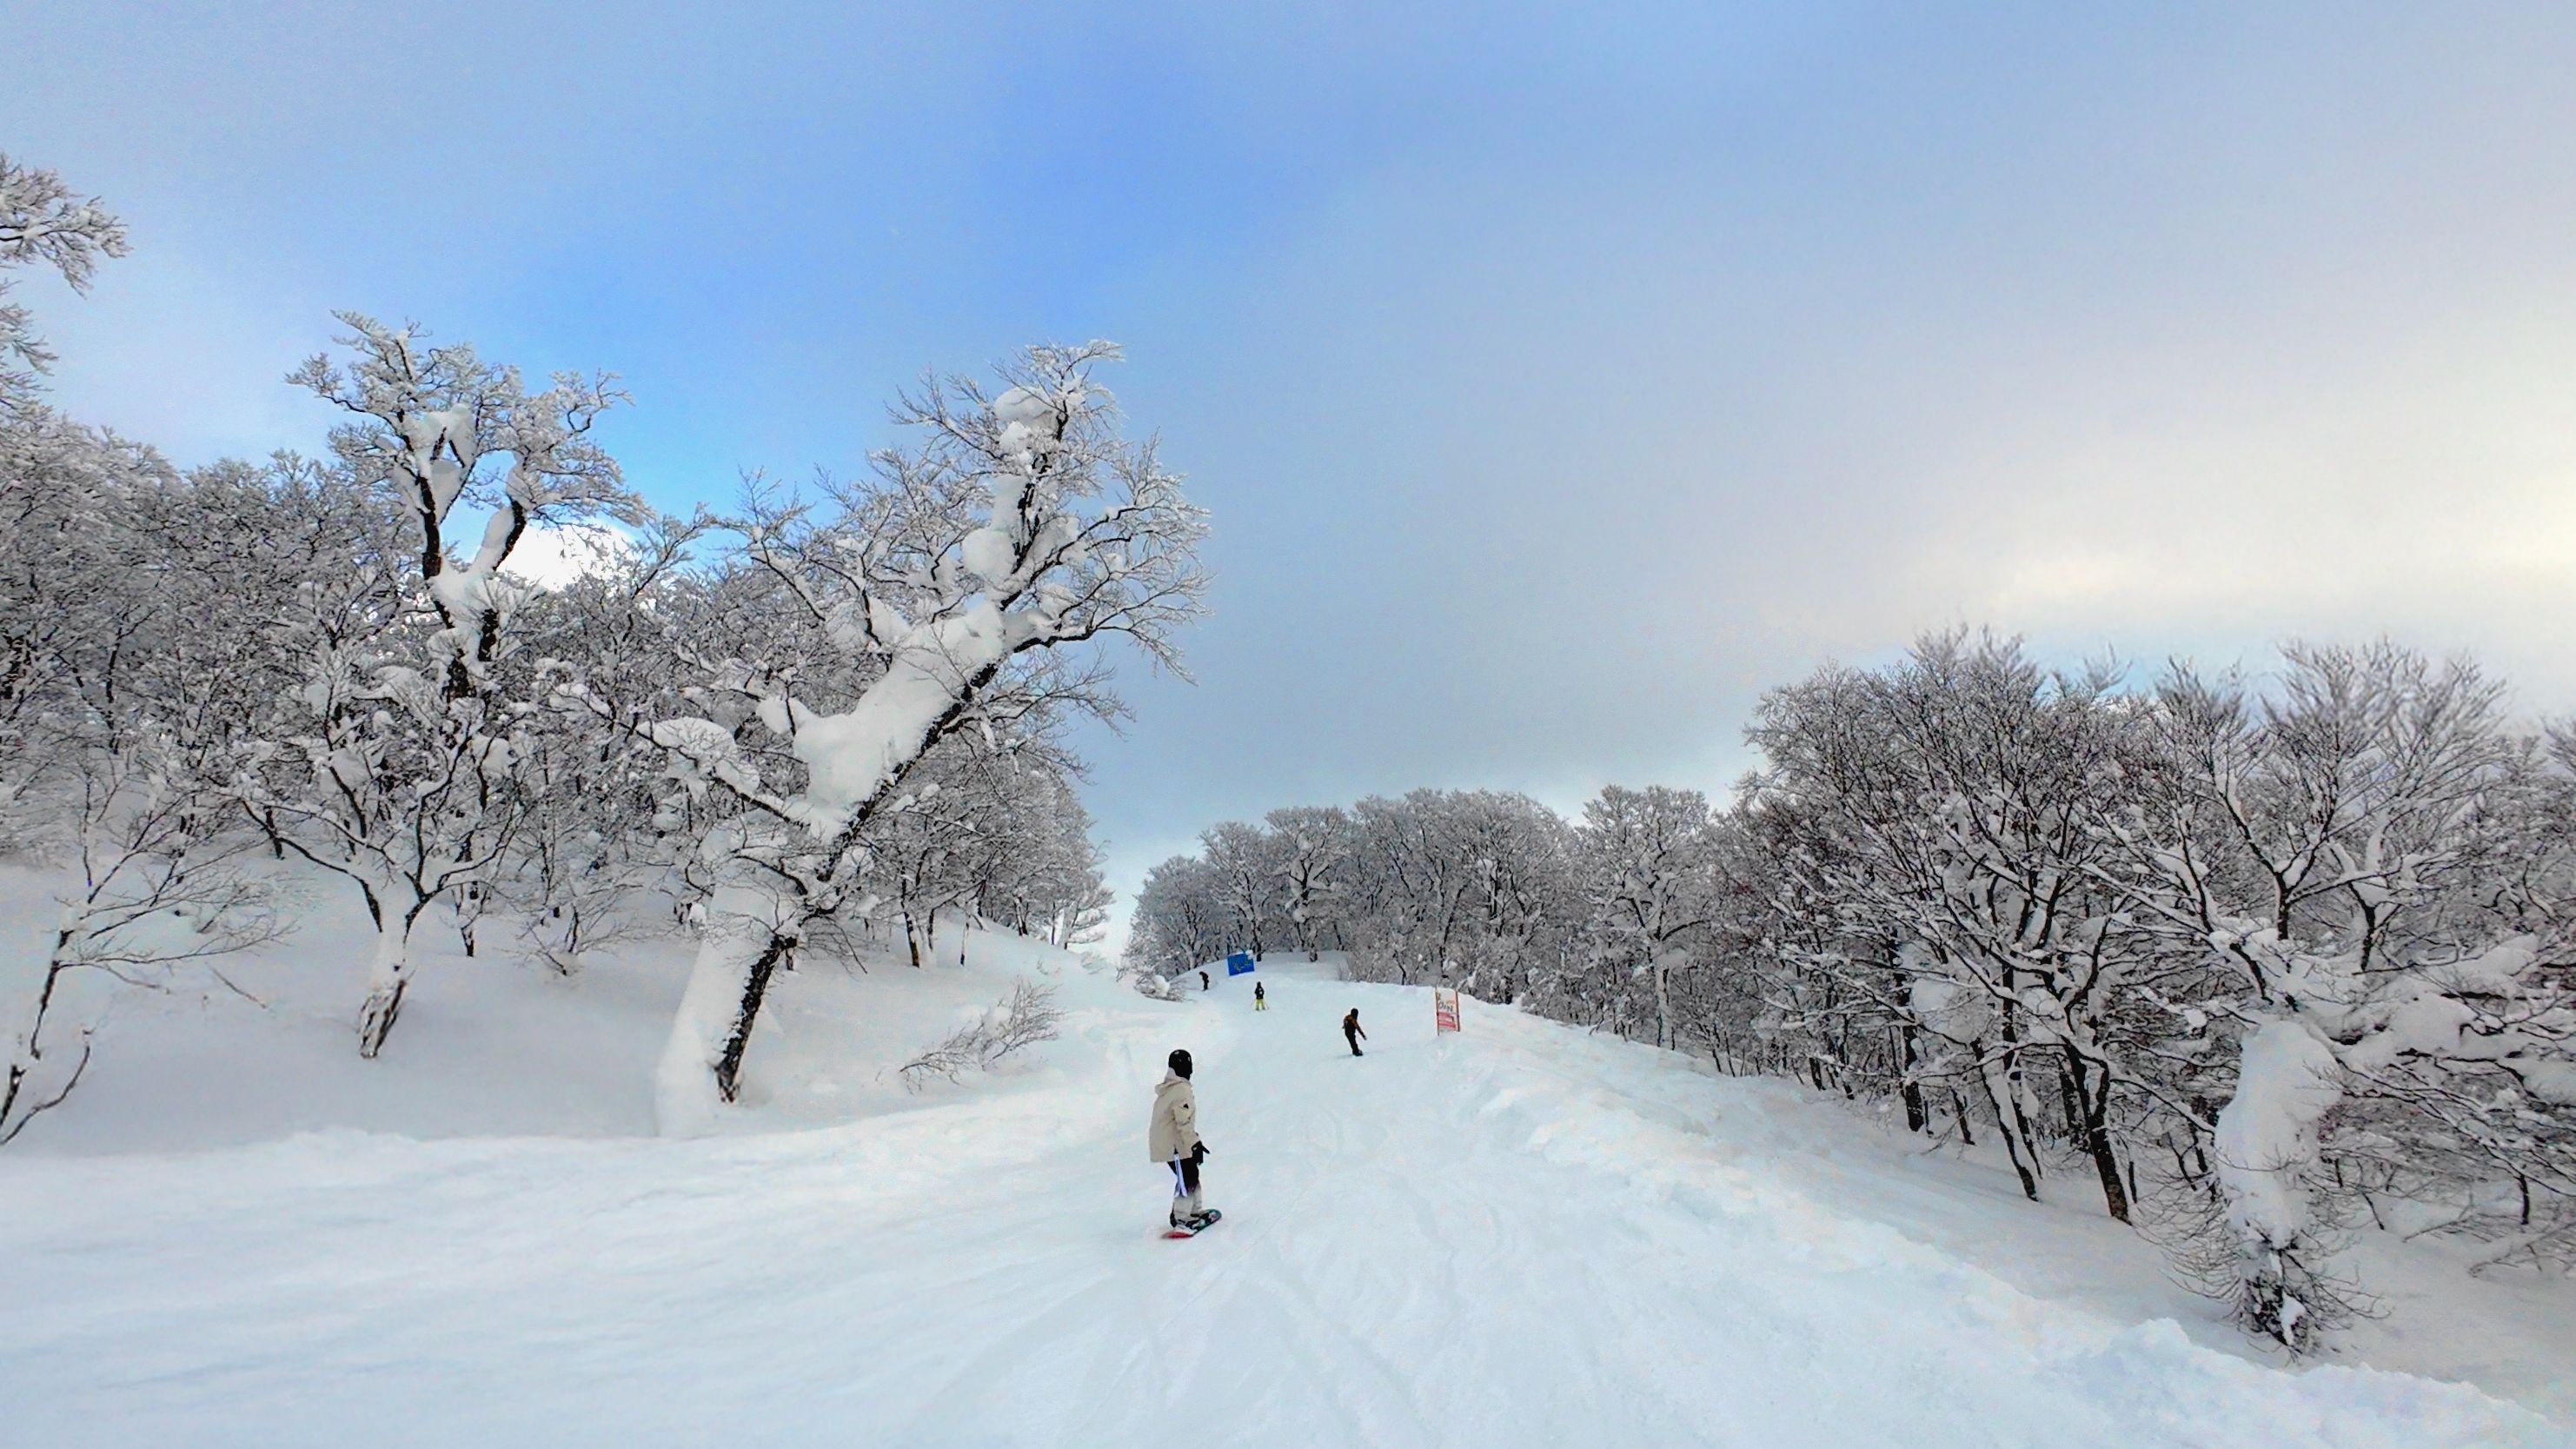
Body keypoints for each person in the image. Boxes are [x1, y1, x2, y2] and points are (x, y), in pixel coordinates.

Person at [1149, 1047, 1212, 1231]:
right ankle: (1181, 1218)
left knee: (1191, 1173)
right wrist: (1195, 1144)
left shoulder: (1172, 1088)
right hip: (1173, 1145)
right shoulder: (1180, 1090)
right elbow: (1183, 1122)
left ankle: (1193, 1211)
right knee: (1187, 1176)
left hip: (1174, 1142)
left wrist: (1194, 1143)